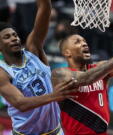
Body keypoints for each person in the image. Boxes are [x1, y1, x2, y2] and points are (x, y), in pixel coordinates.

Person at [0, 0, 80, 134]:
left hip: (55, 130)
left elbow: (45, 8)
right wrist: (54, 96)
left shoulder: (33, 49)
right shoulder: (2, 72)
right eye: (7, 37)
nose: (14, 38)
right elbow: (21, 103)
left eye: (15, 35)